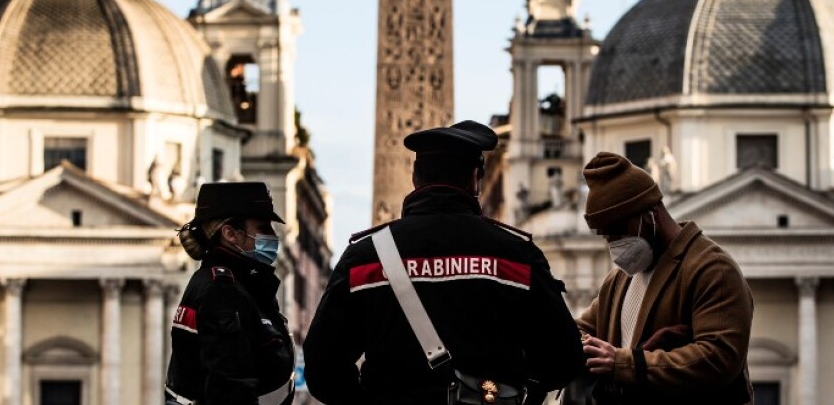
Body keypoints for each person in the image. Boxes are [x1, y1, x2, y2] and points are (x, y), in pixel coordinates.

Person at [304, 120, 584, 404]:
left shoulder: (365, 257)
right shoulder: (516, 255)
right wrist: (515, 392)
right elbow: (564, 359)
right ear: (475, 178)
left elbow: (321, 368)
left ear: (415, 178)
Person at [574, 153, 753, 404]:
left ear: (650, 215)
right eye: (604, 235)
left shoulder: (712, 268)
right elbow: (581, 330)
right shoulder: (619, 281)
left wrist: (625, 363)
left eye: (616, 231)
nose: (612, 244)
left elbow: (719, 358)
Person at [165, 182, 295, 405]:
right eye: (263, 228)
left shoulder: (243, 284)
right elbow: (230, 387)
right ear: (230, 234)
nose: (273, 236)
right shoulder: (222, 291)